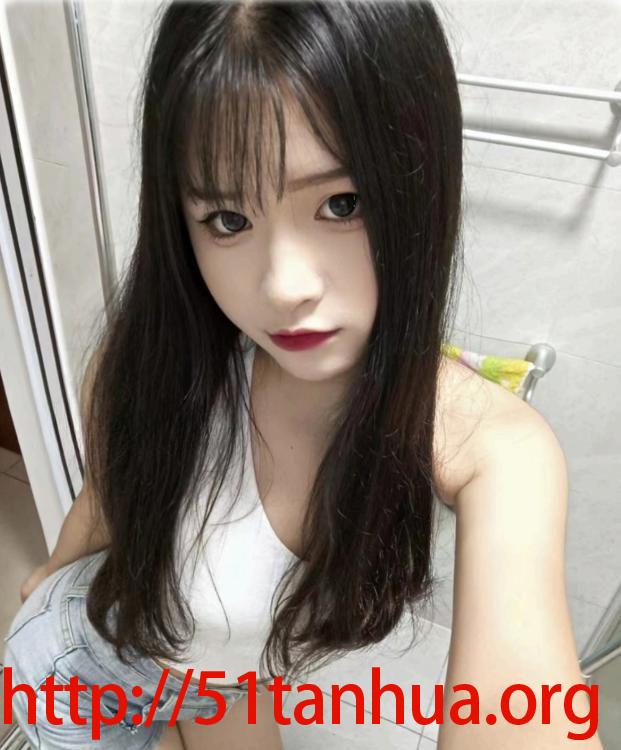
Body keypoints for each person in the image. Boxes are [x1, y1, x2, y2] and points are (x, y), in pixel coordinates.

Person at [2, 1, 602, 748]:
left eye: (341, 204)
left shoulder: (492, 448)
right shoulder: (145, 365)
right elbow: (106, 499)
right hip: (79, 670)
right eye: (228, 220)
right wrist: (51, 573)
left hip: (219, 683)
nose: (284, 287)